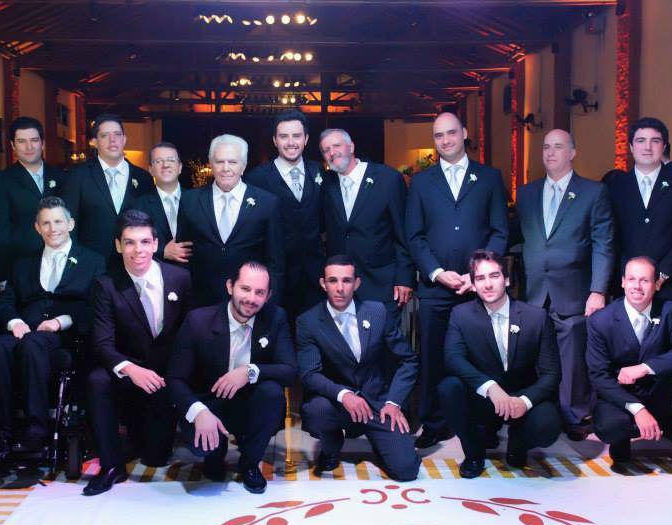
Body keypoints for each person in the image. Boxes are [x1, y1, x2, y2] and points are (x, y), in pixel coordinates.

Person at [406, 111, 509, 449]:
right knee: (433, 357)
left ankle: (485, 421)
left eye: (451, 133)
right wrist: (437, 272)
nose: (446, 140)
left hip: (479, 289)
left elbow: (500, 231)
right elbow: (414, 235)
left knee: (483, 356)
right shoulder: (421, 182)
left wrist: (477, 275)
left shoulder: (489, 178)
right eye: (439, 135)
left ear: (464, 133)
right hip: (435, 289)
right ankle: (433, 422)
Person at [0, 197, 105, 453]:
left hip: (66, 338)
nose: (52, 228)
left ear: (70, 224)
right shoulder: (23, 264)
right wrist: (14, 321)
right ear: (37, 228)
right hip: (25, 330)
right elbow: (5, 301)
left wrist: (61, 321)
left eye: (58, 221)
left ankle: (37, 430)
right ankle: (1, 430)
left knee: (33, 344)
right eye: (45, 223)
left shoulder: (93, 261)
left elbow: (96, 304)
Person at [83, 210, 193, 496]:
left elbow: (191, 335)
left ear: (156, 244)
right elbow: (102, 343)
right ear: (118, 246)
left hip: (165, 377)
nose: (138, 250)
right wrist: (132, 369)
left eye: (144, 242)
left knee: (154, 457)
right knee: (97, 380)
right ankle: (111, 465)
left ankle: (143, 435)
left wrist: (177, 376)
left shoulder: (180, 278)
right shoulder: (106, 285)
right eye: (129, 243)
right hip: (128, 372)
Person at [167, 262, 296, 494]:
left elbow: (289, 370)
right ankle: (214, 455)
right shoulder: (198, 321)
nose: (251, 298)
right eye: (245, 289)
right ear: (230, 286)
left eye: (259, 292)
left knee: (272, 394)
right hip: (210, 404)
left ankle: (250, 464)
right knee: (203, 447)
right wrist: (199, 412)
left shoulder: (275, 318)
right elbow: (175, 378)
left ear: (268, 296)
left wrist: (249, 371)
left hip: (249, 404)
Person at [515, 128, 612, 439]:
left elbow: (603, 244)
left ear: (572, 153)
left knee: (571, 358)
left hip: (573, 290)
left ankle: (576, 415)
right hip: (534, 291)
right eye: (546, 147)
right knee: (536, 356)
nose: (550, 152)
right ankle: (542, 412)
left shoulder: (593, 192)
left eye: (558, 147)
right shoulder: (526, 193)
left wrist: (598, 290)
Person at [296, 255, 420, 481]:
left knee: (406, 470)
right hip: (336, 403)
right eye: (333, 280)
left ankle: (382, 444)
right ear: (323, 284)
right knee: (316, 410)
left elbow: (408, 360)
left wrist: (393, 402)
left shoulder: (377, 312)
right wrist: (344, 395)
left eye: (346, 280)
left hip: (377, 403)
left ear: (357, 283)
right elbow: (309, 374)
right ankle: (331, 445)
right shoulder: (309, 321)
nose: (340, 288)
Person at [586, 257, 672, 489]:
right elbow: (599, 376)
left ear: (657, 284)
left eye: (644, 280)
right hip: (621, 398)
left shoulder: (671, 311)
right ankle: (621, 440)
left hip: (659, 393)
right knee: (612, 425)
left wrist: (644, 368)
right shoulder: (601, 320)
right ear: (622, 282)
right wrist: (638, 409)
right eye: (632, 279)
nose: (637, 286)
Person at [439, 250, 561, 477]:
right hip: (485, 398)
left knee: (547, 426)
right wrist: (490, 387)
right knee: (449, 388)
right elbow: (453, 359)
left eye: (494, 276)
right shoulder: (461, 315)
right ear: (473, 285)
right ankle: (474, 454)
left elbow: (551, 374)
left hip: (522, 397)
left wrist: (524, 401)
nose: (487, 284)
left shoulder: (536, 317)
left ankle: (519, 443)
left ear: (506, 279)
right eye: (480, 278)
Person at [605, 117, 672, 316]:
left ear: (664, 146)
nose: (647, 147)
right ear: (631, 147)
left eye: (655, 141)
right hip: (628, 287)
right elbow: (610, 236)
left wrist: (661, 274)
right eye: (641, 141)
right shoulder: (614, 186)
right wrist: (632, 276)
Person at [318, 128, 413, 330]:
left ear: (351, 147)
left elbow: (403, 232)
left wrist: (405, 277)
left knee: (385, 344)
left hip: (382, 284)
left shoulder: (387, 179)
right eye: (326, 150)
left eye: (336, 146)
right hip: (343, 288)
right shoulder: (326, 184)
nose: (332, 152)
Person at [178, 134, 285, 306]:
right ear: (211, 164)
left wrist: (270, 303)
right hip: (202, 301)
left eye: (233, 162)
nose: (225, 168)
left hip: (250, 302)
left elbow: (275, 262)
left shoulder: (267, 203)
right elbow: (183, 254)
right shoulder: (189, 201)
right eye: (219, 162)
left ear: (244, 165)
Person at [245, 109, 325, 319]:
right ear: (275, 140)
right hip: (276, 278)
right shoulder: (256, 179)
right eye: (283, 136)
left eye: (296, 136)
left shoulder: (320, 171)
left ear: (306, 139)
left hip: (315, 277)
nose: (291, 142)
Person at [61, 113, 154, 259]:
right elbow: (68, 222)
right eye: (105, 135)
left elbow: (150, 222)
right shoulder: (78, 176)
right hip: (91, 261)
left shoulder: (143, 178)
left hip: (134, 260)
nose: (112, 140)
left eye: (117, 134)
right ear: (94, 142)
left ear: (124, 139)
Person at [0, 116, 66, 284]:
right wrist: (3, 277)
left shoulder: (62, 177)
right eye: (21, 141)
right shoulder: (1, 181)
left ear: (42, 143)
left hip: (61, 267)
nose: (29, 147)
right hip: (21, 270)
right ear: (13, 145)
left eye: (34, 140)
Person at [133, 142, 192, 264]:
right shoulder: (139, 205)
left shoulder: (197, 200)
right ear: (151, 170)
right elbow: (134, 242)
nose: (165, 165)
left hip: (196, 272)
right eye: (158, 161)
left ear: (180, 167)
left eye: (171, 160)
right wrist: (162, 251)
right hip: (158, 271)